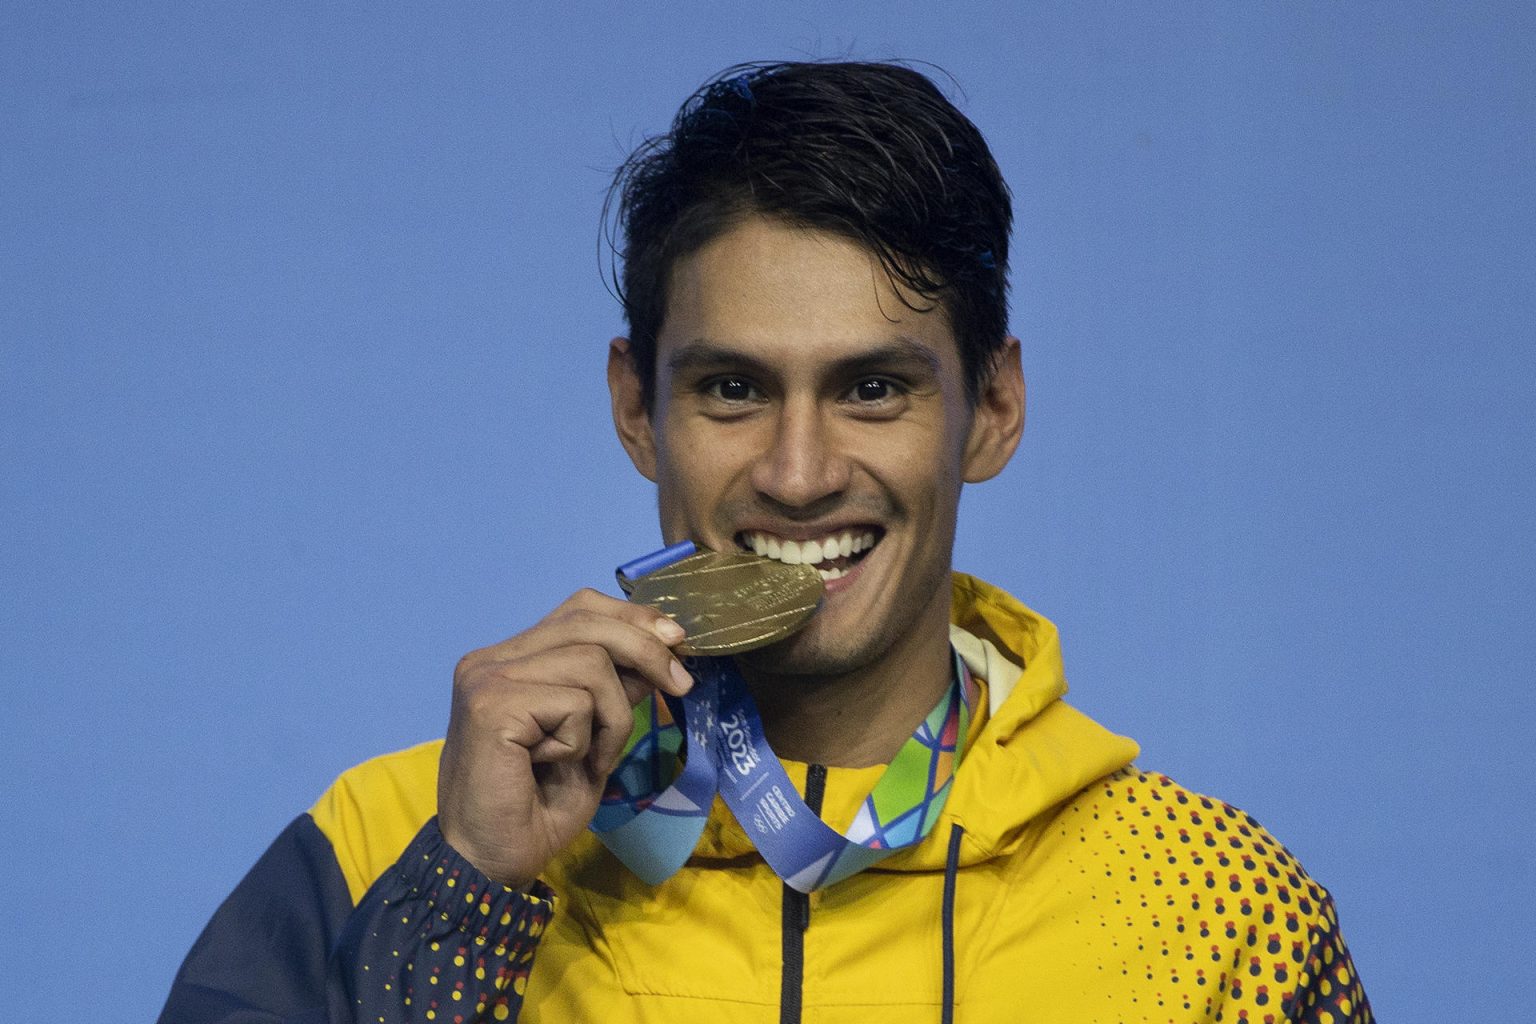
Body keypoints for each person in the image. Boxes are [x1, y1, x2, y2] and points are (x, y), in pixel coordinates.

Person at [160, 61, 1372, 1024]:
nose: (798, 473)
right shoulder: (392, 841)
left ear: (992, 411)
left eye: (874, 389)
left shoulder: (1211, 910)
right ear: (637, 408)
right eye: (734, 390)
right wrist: (468, 893)